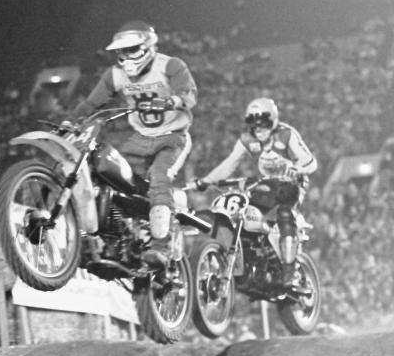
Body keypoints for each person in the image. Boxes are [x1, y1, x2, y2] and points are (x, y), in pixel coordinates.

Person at [70, 20, 198, 268]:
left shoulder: (170, 65)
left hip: (173, 136)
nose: (126, 57)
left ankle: (161, 245)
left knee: (159, 178)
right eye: (121, 52)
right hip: (140, 139)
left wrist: (171, 101)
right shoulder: (115, 75)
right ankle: (106, 237)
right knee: (106, 172)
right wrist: (72, 119)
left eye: (131, 50)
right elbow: (92, 103)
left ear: (148, 46)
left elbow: (189, 94)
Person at [194, 97, 317, 295]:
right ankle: (253, 254)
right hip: (268, 184)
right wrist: (206, 181)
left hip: (294, 184)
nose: (259, 128)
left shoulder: (286, 135)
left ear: (273, 120)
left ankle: (289, 270)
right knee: (244, 210)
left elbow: (311, 163)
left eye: (263, 123)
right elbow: (229, 164)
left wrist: (297, 169)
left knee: (285, 213)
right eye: (254, 123)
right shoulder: (247, 140)